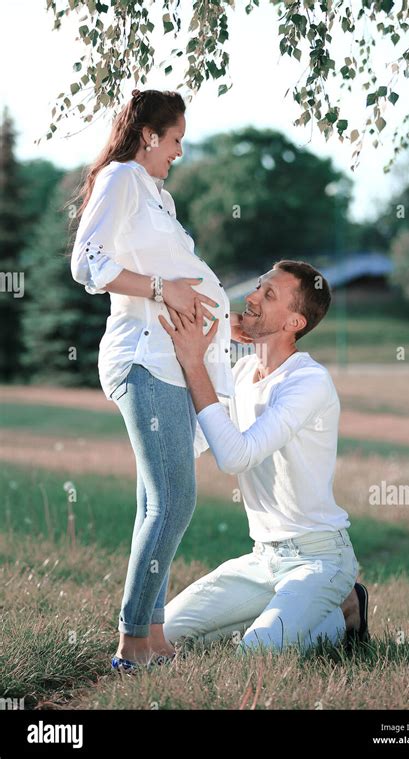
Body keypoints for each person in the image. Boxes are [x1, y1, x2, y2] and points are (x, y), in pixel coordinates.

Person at [70, 89, 235, 673]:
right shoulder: (120, 179)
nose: (181, 151)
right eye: (176, 139)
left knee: (153, 503)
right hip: (141, 356)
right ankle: (130, 644)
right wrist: (167, 290)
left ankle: (156, 633)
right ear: (148, 135)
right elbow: (87, 262)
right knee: (175, 499)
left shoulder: (156, 194)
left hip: (170, 359)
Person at [159, 260, 369, 656]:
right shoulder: (241, 373)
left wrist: (194, 364)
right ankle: (287, 612)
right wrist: (222, 330)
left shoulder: (308, 383)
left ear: (294, 323)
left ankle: (346, 612)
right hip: (262, 559)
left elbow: (237, 457)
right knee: (165, 635)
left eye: (268, 295)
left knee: (255, 654)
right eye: (258, 287)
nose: (251, 297)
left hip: (319, 559)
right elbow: (203, 439)